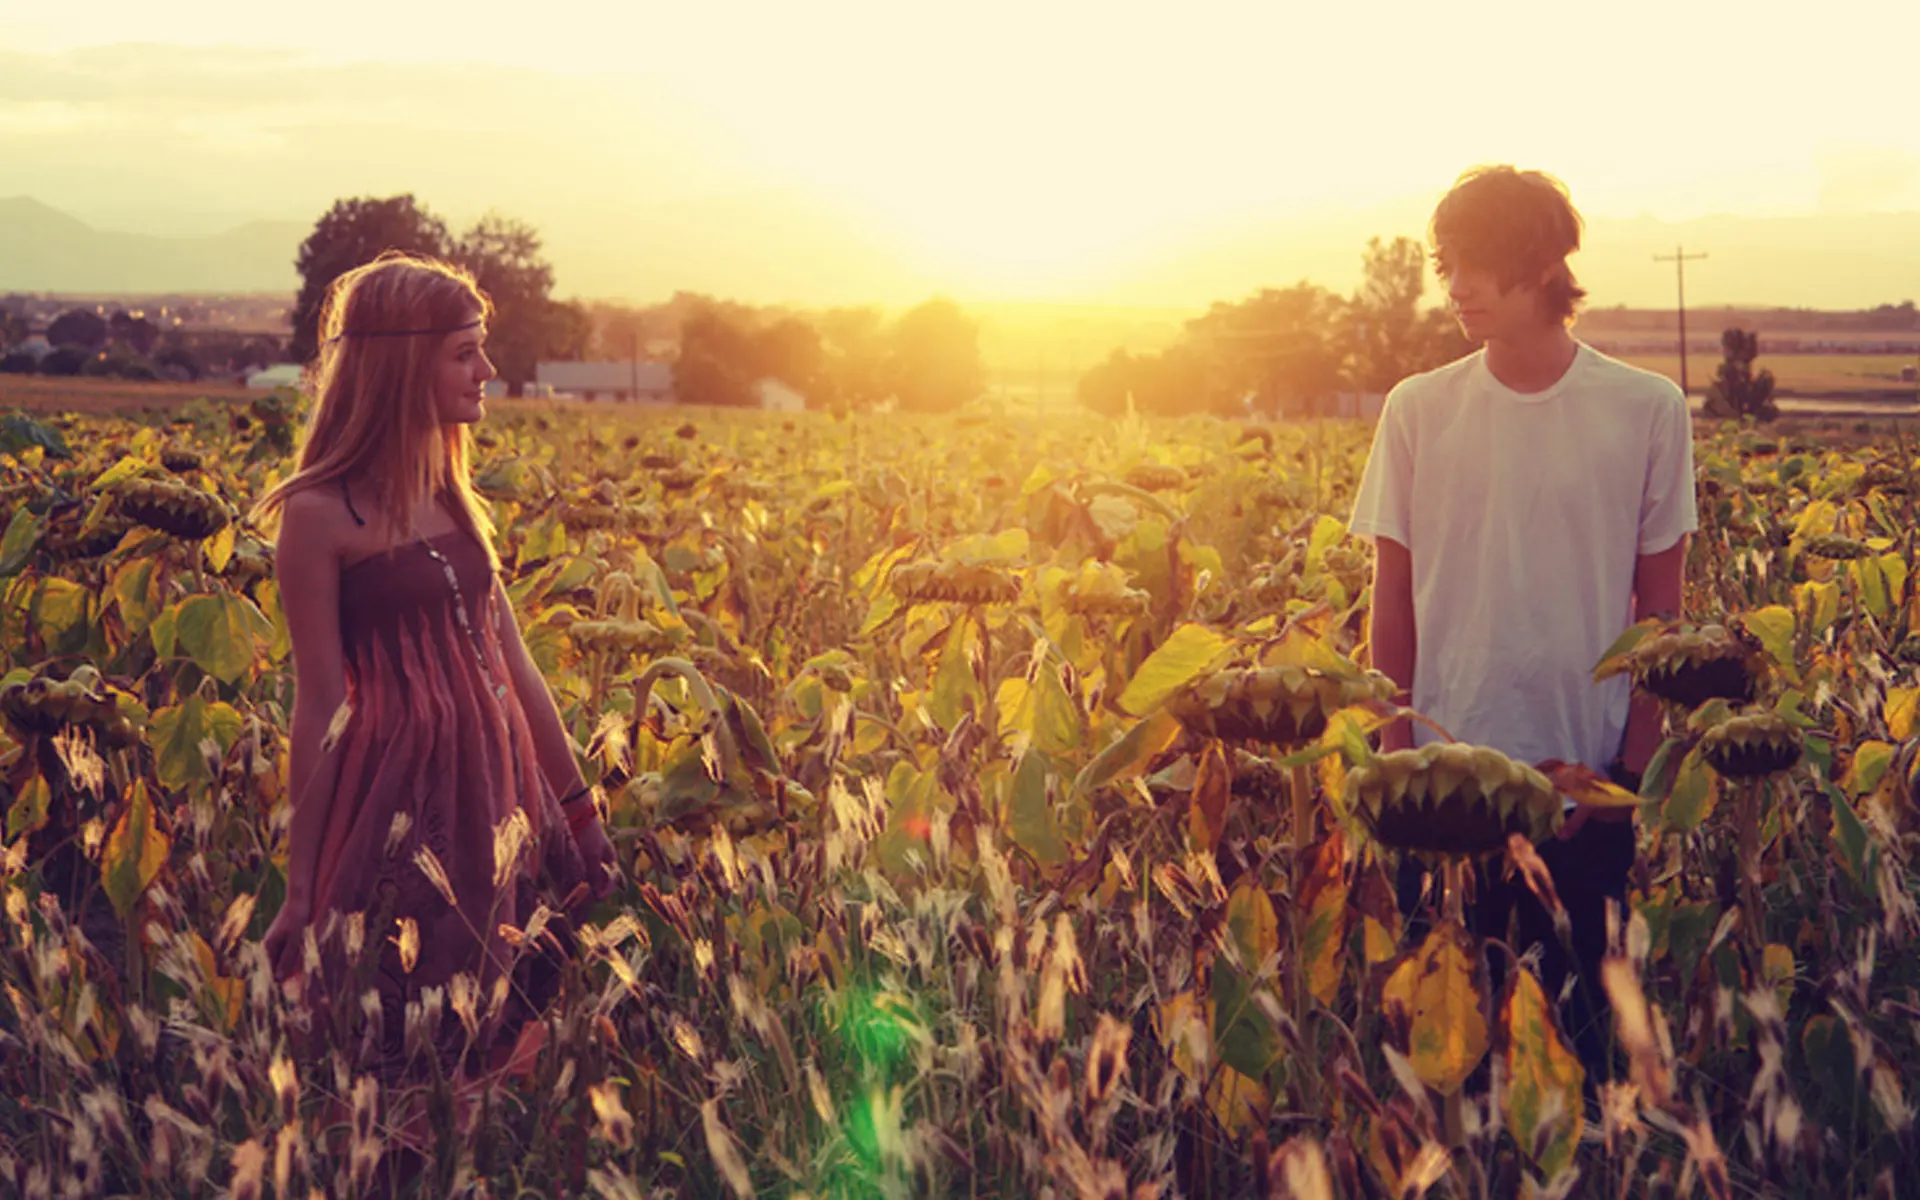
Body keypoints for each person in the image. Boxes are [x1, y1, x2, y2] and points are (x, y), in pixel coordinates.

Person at [1346, 166, 1697, 1074]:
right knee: (1444, 1064)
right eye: (1447, 265)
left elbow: (1661, 610)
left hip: (1582, 786)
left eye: (1477, 266)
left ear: (1543, 265)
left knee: (1578, 1059)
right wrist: (1396, 762)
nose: (1455, 287)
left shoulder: (1647, 409)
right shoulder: (1418, 409)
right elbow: (1392, 593)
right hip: (1440, 786)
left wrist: (1626, 775)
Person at [254, 252, 617, 1075]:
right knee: (403, 1036)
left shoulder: (454, 492)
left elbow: (514, 664)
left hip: (498, 789)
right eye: (465, 352)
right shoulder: (318, 515)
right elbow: (318, 705)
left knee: (504, 1028)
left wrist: (577, 810)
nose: (487, 370)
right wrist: (302, 885)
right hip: (399, 809)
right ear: (401, 363)